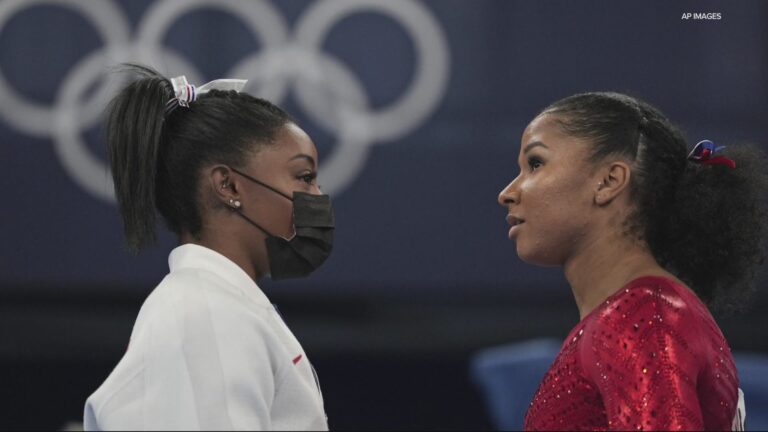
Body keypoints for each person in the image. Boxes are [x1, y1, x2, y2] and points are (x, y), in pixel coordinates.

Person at [84, 64, 334, 431]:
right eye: (304, 177)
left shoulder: (223, 308)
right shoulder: (207, 315)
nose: (318, 196)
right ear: (229, 186)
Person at [497, 92, 767, 430]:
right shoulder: (644, 312)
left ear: (609, 181)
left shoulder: (642, 317)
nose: (507, 192)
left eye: (535, 163)